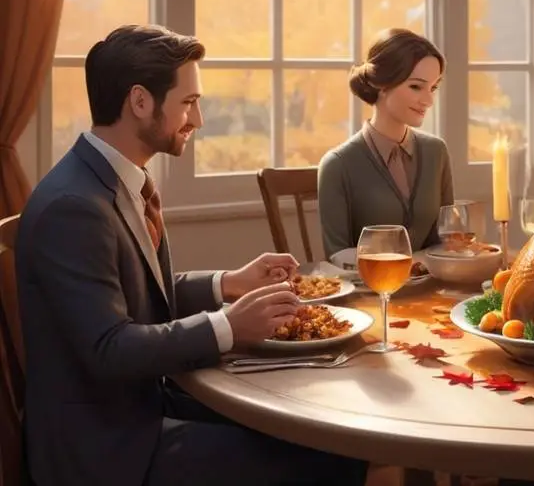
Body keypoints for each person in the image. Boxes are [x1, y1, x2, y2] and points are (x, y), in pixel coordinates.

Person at [15, 24, 368, 486]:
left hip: (138, 410)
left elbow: (136, 292)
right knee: (331, 456)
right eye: (188, 102)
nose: (198, 120)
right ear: (140, 101)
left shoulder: (106, 179)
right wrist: (227, 326)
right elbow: (109, 348)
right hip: (106, 449)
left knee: (329, 433)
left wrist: (230, 283)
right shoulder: (74, 208)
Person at [318, 28, 453, 260]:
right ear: (381, 84)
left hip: (430, 292)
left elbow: (444, 239)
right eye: (416, 86)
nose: (428, 100)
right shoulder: (338, 165)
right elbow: (337, 256)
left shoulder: (436, 152)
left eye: (433, 88)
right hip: (367, 292)